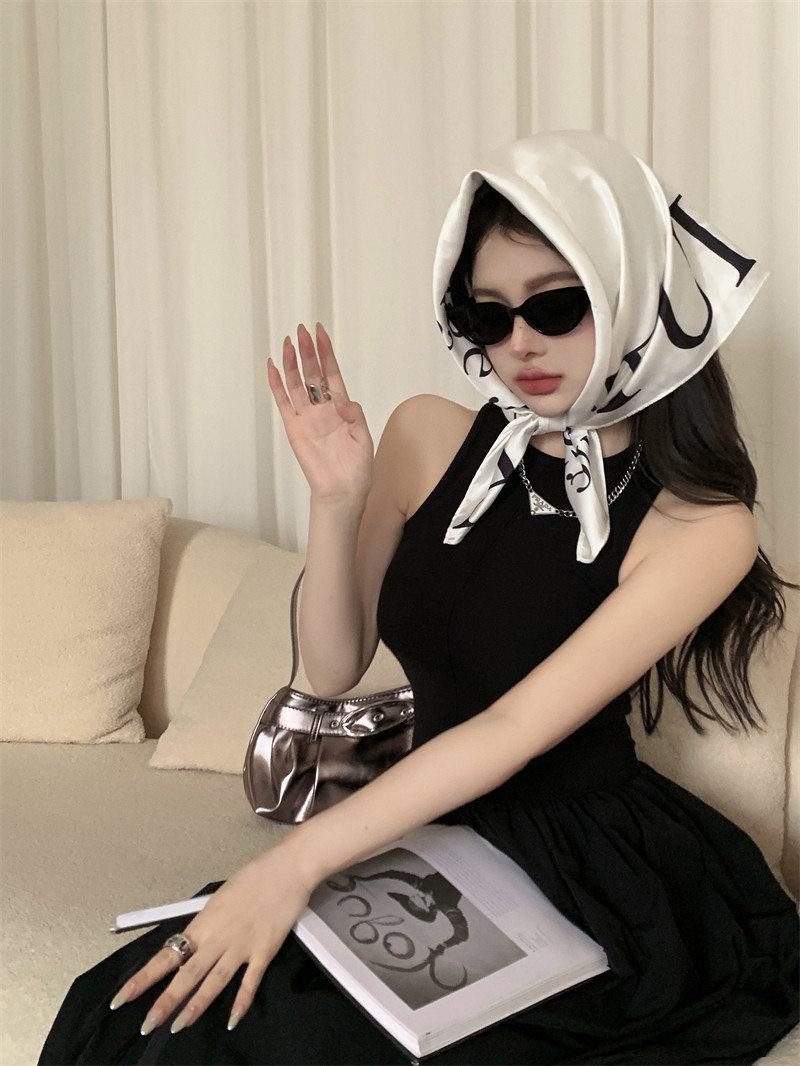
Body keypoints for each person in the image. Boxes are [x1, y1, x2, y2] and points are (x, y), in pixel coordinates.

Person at [41, 130, 798, 1065]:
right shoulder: (430, 435)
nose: (520, 344)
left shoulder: (702, 525)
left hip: (582, 865)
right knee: (132, 1008)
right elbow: (331, 668)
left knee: (267, 1040)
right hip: (425, 825)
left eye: (557, 305)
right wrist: (337, 501)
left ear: (633, 294)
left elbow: (514, 728)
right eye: (490, 315)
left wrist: (291, 866)